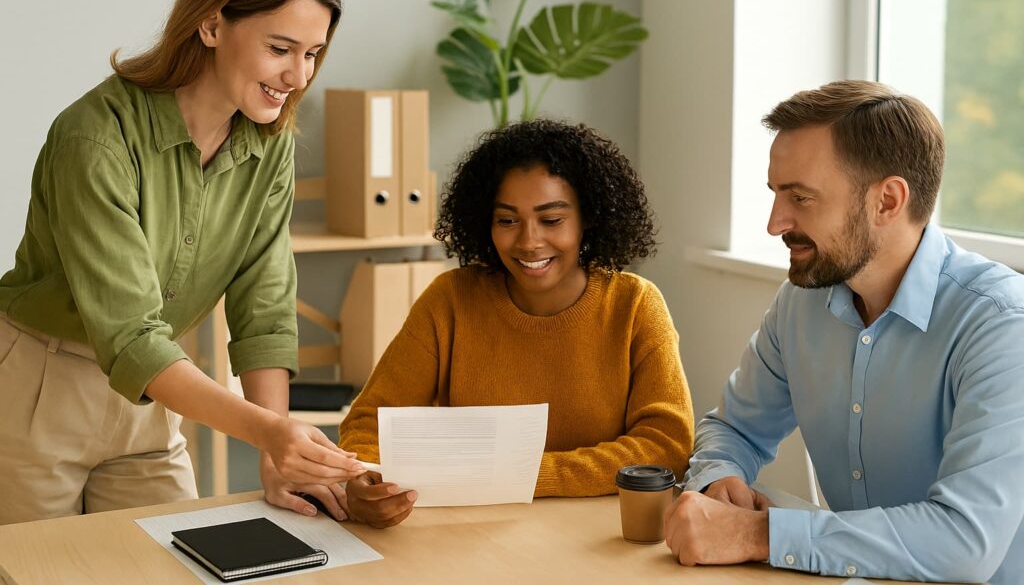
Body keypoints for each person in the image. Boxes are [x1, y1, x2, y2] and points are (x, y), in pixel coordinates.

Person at [0, 0, 365, 525]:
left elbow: (264, 302)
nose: (299, 77)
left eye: (312, 54)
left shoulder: (270, 142)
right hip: (40, 393)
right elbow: (131, 334)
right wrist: (270, 432)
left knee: (176, 562)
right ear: (213, 24)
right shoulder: (95, 137)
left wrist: (278, 458)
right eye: (281, 49)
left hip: (155, 401)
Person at [664, 80, 1024, 584]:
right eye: (775, 194)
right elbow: (736, 429)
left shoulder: (1001, 325)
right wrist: (719, 477)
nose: (774, 223)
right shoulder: (802, 301)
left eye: (801, 198)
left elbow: (965, 542)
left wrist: (756, 535)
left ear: (887, 201)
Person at [337, 119, 694, 528]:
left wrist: (526, 475)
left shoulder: (635, 305)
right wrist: (363, 480)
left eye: (552, 220)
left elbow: (665, 445)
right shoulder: (451, 300)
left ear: (588, 218)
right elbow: (370, 421)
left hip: (602, 533)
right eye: (507, 221)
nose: (528, 241)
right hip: (471, 534)